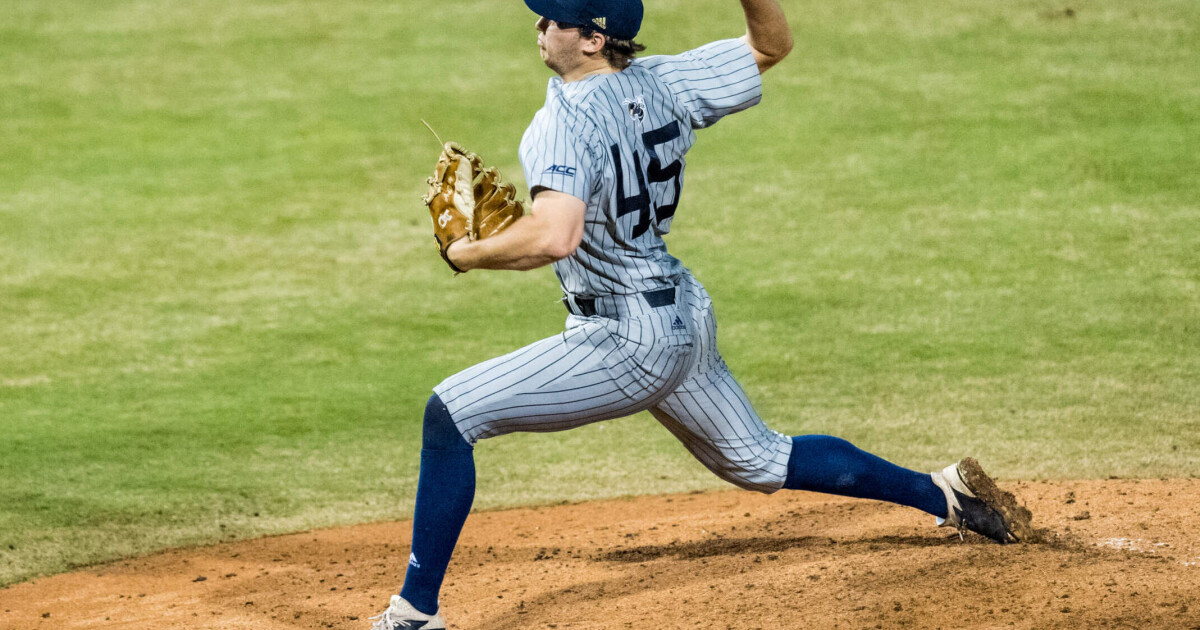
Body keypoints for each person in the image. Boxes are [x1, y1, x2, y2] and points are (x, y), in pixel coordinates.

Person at [370, 0, 1029, 627]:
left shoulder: (561, 124)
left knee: (450, 414)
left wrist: (466, 253)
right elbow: (772, 45)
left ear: (594, 39)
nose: (541, 24)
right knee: (759, 459)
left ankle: (415, 613)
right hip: (681, 311)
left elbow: (554, 237)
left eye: (557, 20)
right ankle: (946, 494)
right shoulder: (667, 80)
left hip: (624, 339)